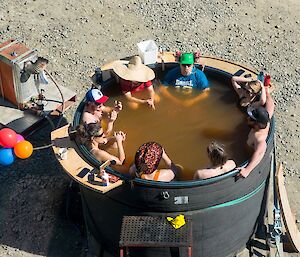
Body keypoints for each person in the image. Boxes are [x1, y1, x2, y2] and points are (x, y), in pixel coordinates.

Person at [237, 88, 275, 178]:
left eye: (251, 119)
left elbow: (260, 152)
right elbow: (271, 105)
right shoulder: (266, 119)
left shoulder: (259, 137)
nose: (248, 119)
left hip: (246, 155)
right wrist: (267, 92)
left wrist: (247, 170)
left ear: (257, 123)